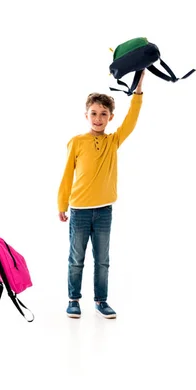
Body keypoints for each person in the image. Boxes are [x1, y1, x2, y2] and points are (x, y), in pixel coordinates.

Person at [58, 71, 145, 319]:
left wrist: (138, 89)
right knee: (76, 259)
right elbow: (67, 175)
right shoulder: (76, 142)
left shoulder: (113, 141)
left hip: (104, 210)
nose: (98, 118)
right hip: (79, 211)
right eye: (94, 113)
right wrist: (62, 204)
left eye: (103, 114)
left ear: (110, 117)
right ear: (86, 115)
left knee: (102, 261)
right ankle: (73, 299)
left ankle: (101, 300)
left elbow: (132, 118)